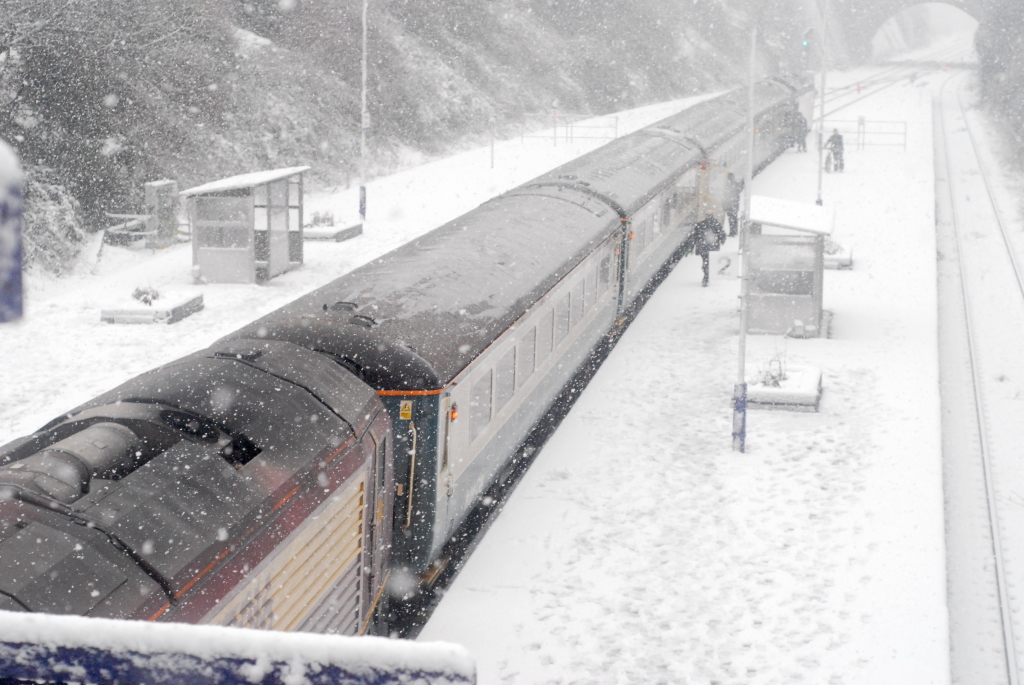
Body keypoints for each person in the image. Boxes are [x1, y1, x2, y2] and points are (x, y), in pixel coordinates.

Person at [692, 210, 726, 287]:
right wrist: (721, 240)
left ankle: (706, 276)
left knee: (706, 262)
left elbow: (695, 236)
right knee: (708, 262)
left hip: (703, 247)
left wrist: (694, 244)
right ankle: (706, 276)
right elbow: (722, 234)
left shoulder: (701, 224)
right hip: (712, 247)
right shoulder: (716, 224)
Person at [724, 172, 744, 237]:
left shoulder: (727, 185)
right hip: (735, 204)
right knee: (734, 218)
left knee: (731, 219)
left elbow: (724, 196)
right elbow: (740, 188)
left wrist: (724, 205)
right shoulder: (735, 184)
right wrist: (743, 182)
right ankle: (734, 231)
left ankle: (732, 232)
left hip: (729, 205)